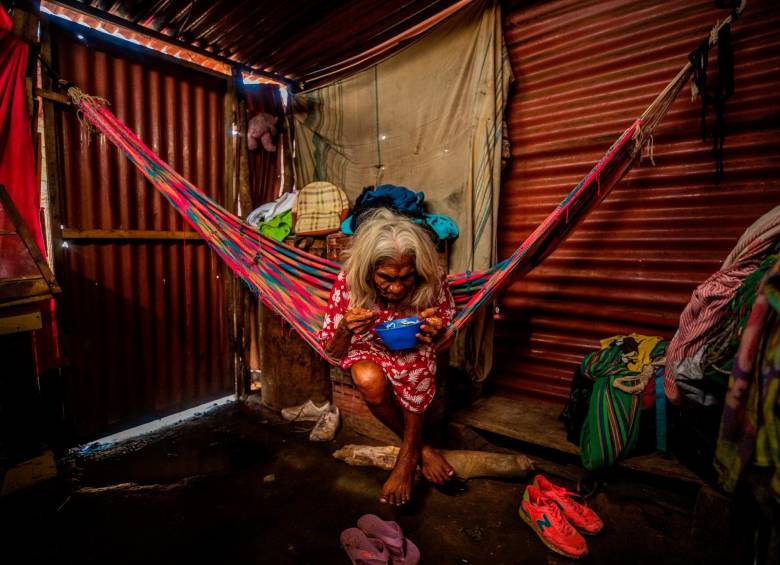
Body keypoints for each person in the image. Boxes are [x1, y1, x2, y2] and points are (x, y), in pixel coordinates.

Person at [320, 208, 457, 506]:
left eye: (406, 278)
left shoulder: (432, 278)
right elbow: (331, 352)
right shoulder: (349, 282)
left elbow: (447, 334)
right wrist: (345, 327)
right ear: (369, 269)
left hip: (413, 345)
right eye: (386, 278)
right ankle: (423, 449)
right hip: (369, 342)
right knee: (366, 378)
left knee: (419, 363)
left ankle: (407, 459)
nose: (396, 288)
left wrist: (438, 332)